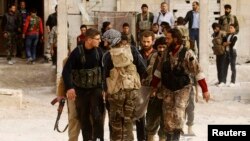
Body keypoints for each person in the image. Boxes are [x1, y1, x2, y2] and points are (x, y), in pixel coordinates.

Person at [151, 28, 210, 141]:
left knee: (178, 114)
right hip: (167, 88)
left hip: (182, 89)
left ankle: (176, 138)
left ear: (176, 39)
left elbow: (198, 72)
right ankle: (169, 138)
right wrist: (153, 87)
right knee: (167, 117)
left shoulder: (188, 53)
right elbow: (158, 72)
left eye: (168, 38)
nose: (166, 41)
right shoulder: (165, 54)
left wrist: (205, 90)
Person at [102, 29, 146, 141]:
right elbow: (143, 69)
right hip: (132, 93)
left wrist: (105, 91)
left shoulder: (107, 55)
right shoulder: (132, 50)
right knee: (128, 122)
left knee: (116, 123)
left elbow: (105, 76)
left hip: (116, 94)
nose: (105, 43)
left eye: (106, 40)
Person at [62, 28, 105, 141]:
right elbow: (66, 71)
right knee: (83, 117)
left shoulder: (99, 52)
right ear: (89, 40)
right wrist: (70, 88)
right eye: (97, 39)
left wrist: (105, 89)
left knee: (97, 115)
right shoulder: (77, 53)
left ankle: (99, 138)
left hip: (95, 89)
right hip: (81, 91)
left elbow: (104, 71)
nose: (99, 41)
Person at [140, 35, 167, 141]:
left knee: (165, 123)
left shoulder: (170, 58)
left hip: (166, 94)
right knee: (151, 121)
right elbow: (148, 72)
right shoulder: (153, 56)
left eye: (164, 47)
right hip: (153, 93)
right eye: (159, 47)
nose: (161, 49)